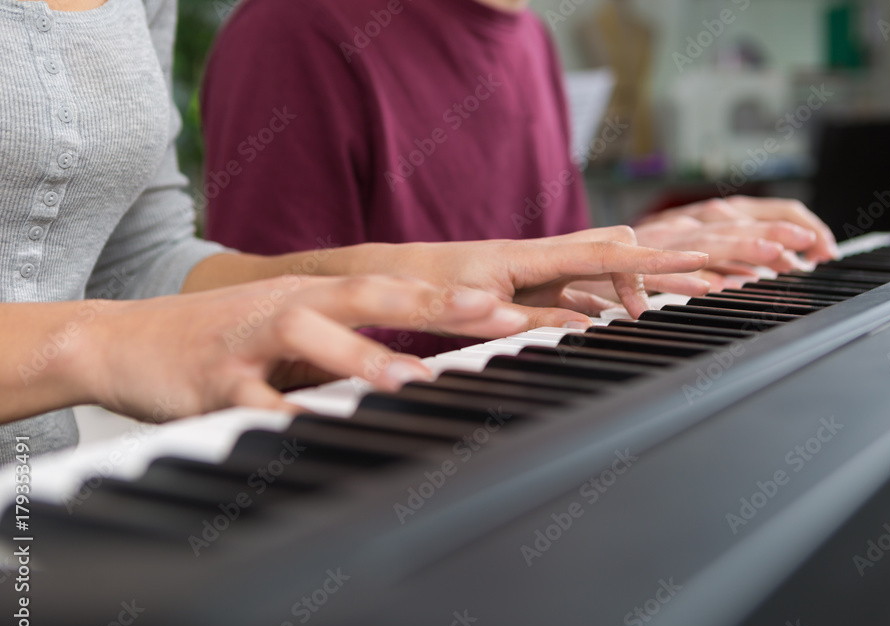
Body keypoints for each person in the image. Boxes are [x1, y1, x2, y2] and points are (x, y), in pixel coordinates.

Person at [0, 0, 711, 465]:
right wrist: (95, 343)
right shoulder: (297, 27)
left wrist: (427, 273)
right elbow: (120, 321)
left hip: (36, 503)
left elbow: (135, 258)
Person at [201, 0, 840, 357]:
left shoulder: (528, 36)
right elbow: (257, 342)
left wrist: (637, 253)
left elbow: (542, 276)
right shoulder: (292, 30)